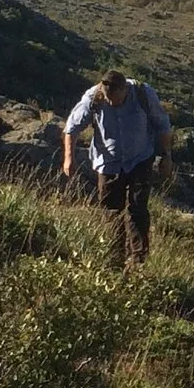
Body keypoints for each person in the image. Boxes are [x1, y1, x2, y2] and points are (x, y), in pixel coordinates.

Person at [61, 68, 174, 269]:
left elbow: (162, 125)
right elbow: (72, 127)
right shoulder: (93, 98)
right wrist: (68, 158)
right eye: (108, 99)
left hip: (140, 159)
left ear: (125, 90)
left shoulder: (142, 93)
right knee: (111, 211)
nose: (112, 103)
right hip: (109, 163)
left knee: (137, 209)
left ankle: (139, 261)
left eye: (116, 99)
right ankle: (114, 260)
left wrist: (166, 156)